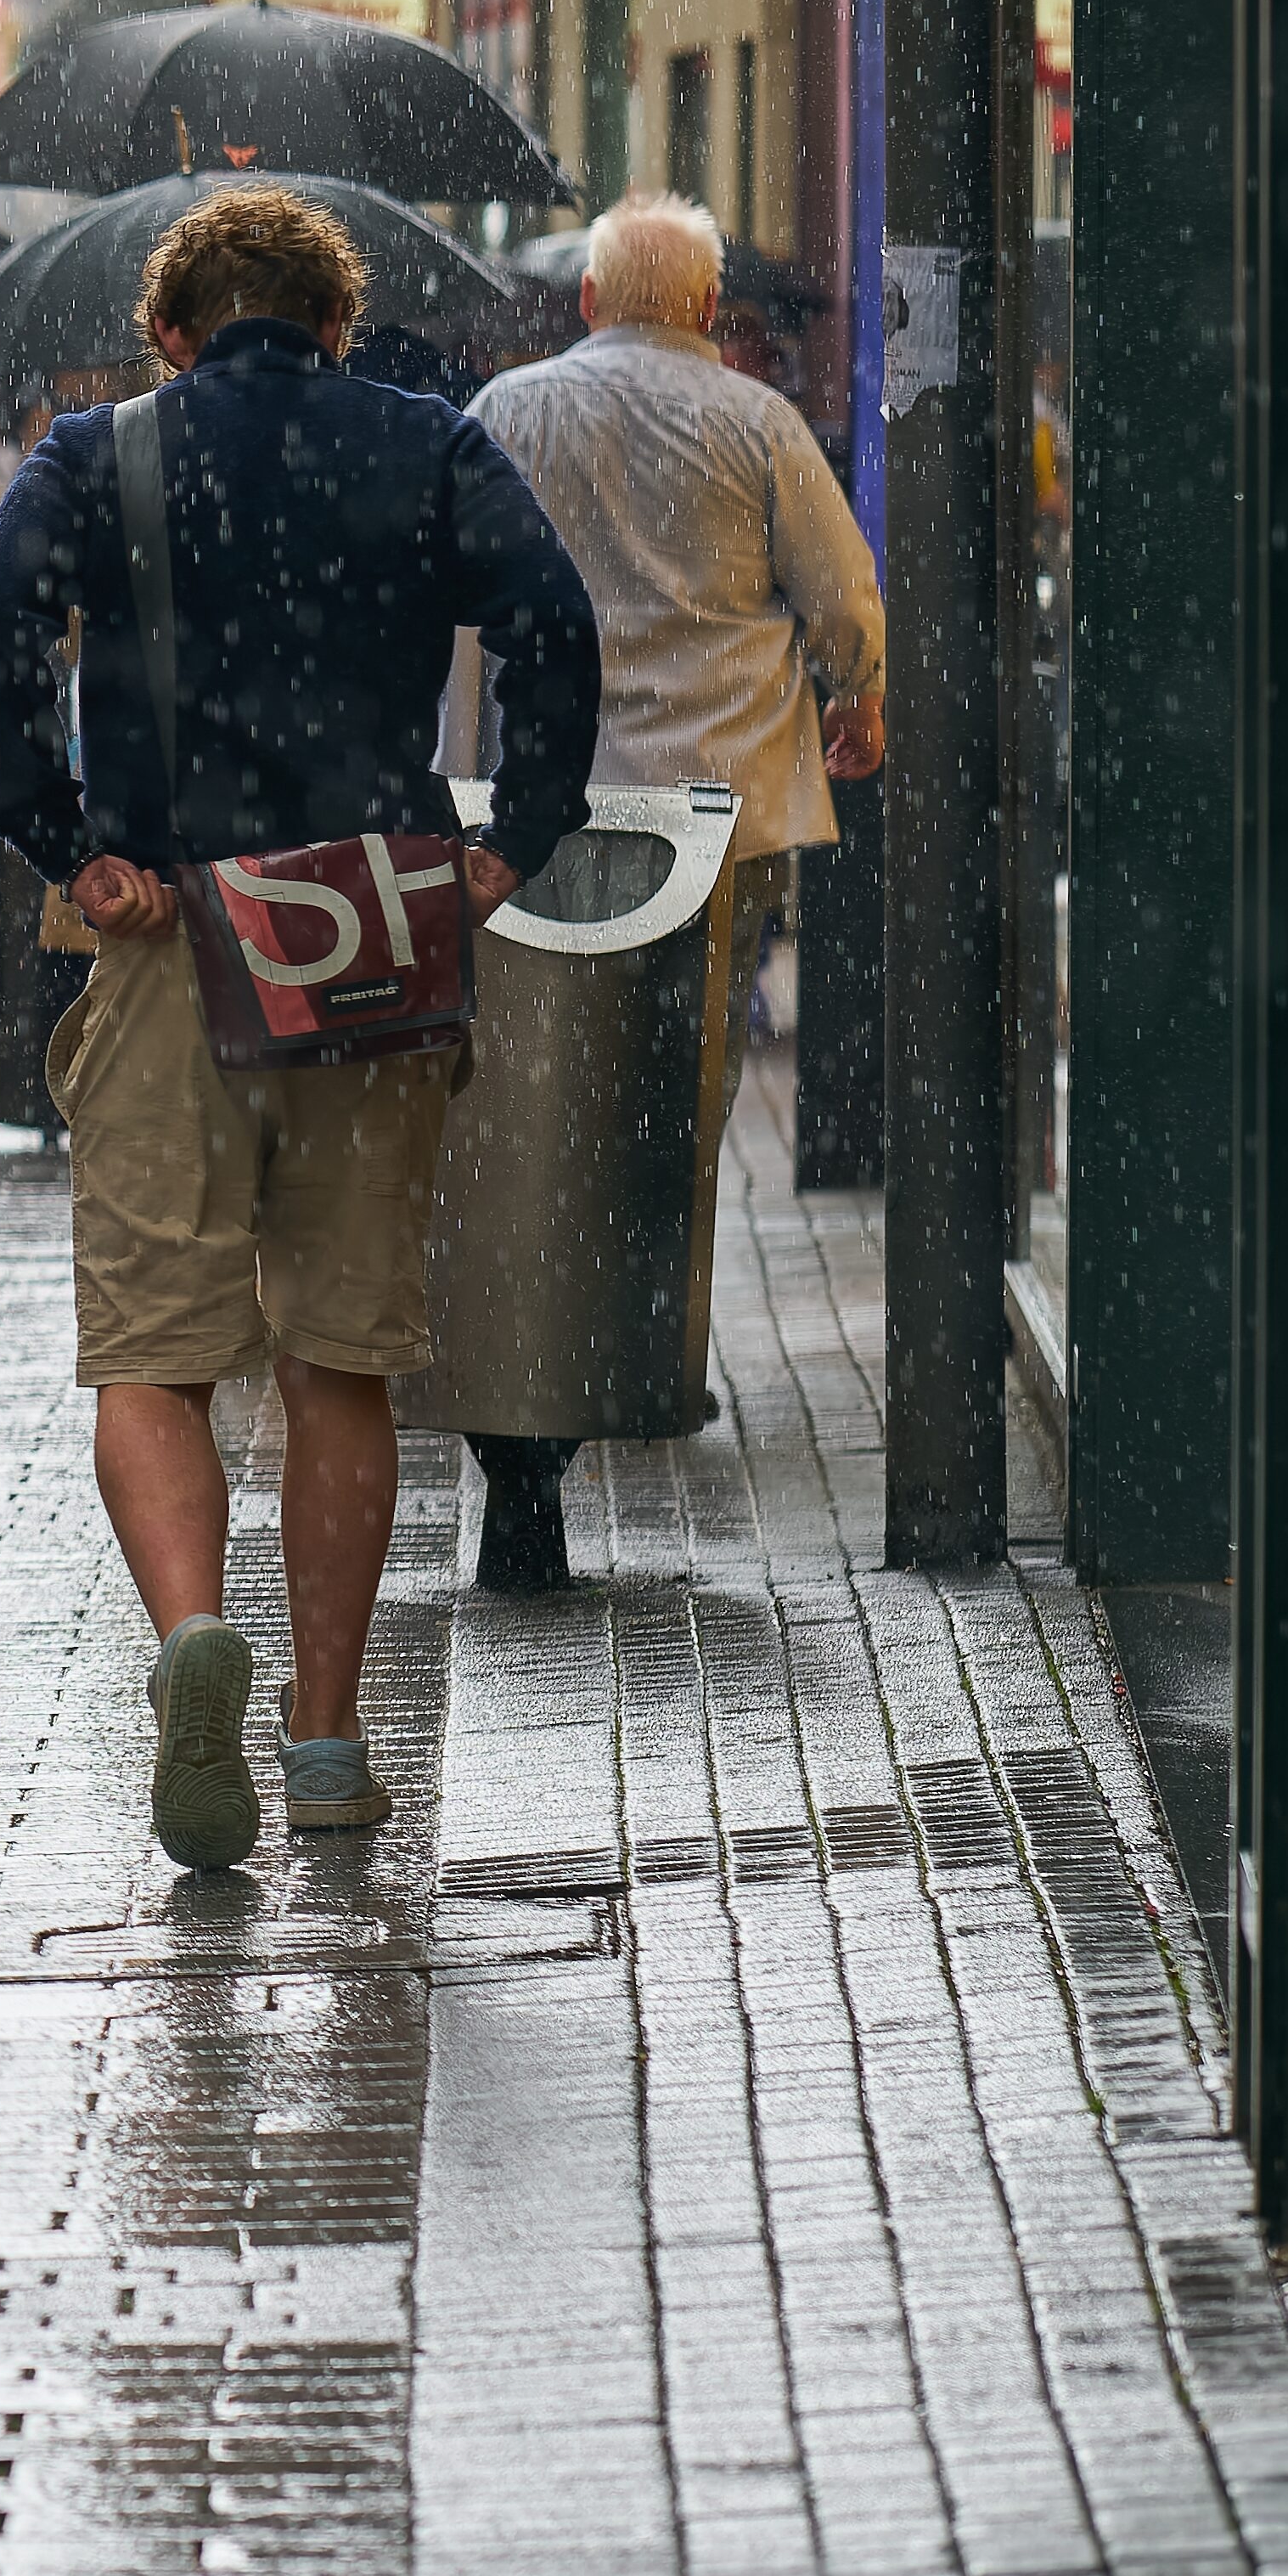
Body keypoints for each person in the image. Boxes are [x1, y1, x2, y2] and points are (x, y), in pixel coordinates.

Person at [0, 186, 602, 1872]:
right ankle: (322, 1736)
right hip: (364, 932)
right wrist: (506, 836)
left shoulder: (100, 458)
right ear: (334, 322)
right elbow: (552, 623)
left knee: (150, 1351)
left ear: (166, 330)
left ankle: (187, 1641)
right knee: (339, 1352)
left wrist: (69, 836)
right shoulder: (426, 445)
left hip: (169, 926)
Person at [453, 189, 889, 1584]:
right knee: (672, 1091)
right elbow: (842, 600)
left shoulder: (504, 411)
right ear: (705, 308)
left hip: (535, 799)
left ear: (587, 301)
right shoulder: (756, 423)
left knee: (521, 1089)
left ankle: (525, 1367)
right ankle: (648, 1346)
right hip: (711, 809)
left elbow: (441, 592)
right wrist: (854, 695)